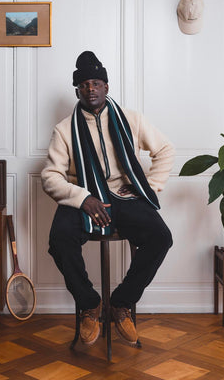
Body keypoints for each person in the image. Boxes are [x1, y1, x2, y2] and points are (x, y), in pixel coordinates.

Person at [41, 51, 175, 347]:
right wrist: (83, 197)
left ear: (107, 87)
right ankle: (90, 305)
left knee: (161, 237)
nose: (91, 89)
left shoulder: (131, 119)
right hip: (84, 197)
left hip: (123, 195)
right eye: (85, 84)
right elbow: (50, 176)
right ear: (77, 90)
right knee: (59, 239)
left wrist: (147, 186)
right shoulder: (65, 130)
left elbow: (165, 150)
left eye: (97, 83)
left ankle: (121, 303)